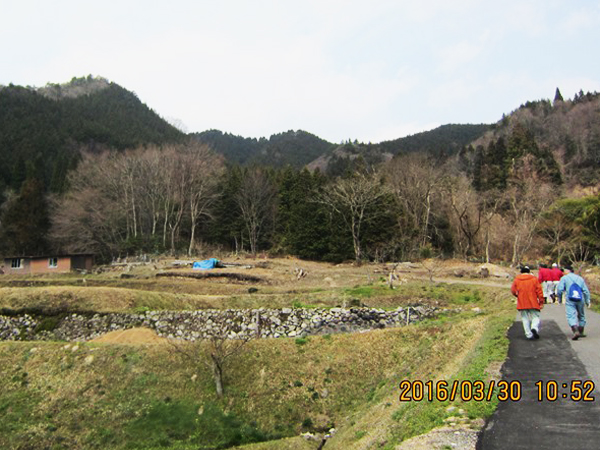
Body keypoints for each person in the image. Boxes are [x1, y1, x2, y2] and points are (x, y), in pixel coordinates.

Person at [557, 265, 591, 340]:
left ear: (568, 270)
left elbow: (560, 289)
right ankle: (581, 331)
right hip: (580, 298)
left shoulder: (564, 278)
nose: (563, 272)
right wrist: (587, 301)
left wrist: (559, 299)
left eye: (564, 270)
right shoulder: (580, 278)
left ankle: (575, 331)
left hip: (570, 299)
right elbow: (585, 291)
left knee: (571, 315)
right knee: (581, 315)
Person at [511, 266, 545, 340]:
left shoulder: (517, 280)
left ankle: (528, 334)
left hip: (522, 302)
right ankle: (534, 328)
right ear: (529, 272)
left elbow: (513, 290)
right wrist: (541, 301)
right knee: (535, 316)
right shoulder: (534, 279)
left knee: (525, 318)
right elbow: (539, 291)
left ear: (521, 272)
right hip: (533, 301)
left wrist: (517, 295)